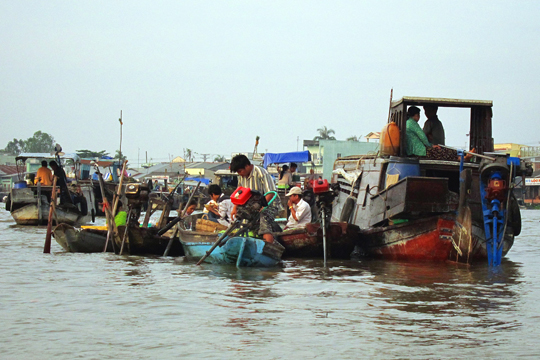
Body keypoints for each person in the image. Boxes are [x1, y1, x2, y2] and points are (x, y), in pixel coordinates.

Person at [230, 154, 282, 243]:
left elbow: (271, 192)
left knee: (264, 224)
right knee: (247, 224)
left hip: (269, 204)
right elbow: (239, 194)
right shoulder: (241, 177)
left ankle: (269, 248)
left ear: (246, 166)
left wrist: (262, 206)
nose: (239, 174)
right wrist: (235, 208)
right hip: (253, 206)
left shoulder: (262, 173)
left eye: (240, 171)